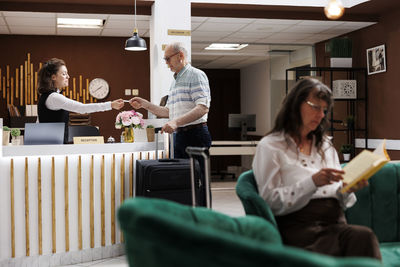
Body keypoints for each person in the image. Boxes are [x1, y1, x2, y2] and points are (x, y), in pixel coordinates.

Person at [252, 78, 381, 259]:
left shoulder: (325, 146)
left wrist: (347, 189)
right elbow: (269, 202)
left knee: (364, 236)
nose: (321, 115)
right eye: (315, 107)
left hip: (335, 222)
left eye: (324, 110)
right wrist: (312, 182)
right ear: (295, 105)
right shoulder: (271, 146)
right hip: (298, 226)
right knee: (328, 250)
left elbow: (339, 196)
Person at [129, 42, 212, 158]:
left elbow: (203, 108)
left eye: (168, 59)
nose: (167, 63)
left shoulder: (196, 75)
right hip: (179, 135)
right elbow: (168, 111)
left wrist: (175, 122)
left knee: (196, 175)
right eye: (165, 60)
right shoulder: (175, 81)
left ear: (180, 55)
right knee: (180, 175)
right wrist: (145, 104)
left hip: (195, 134)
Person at [37, 58, 124, 143]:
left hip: (49, 145)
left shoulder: (46, 96)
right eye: (64, 74)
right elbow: (82, 108)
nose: (68, 76)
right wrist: (111, 105)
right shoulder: (54, 97)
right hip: (53, 147)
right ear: (53, 77)